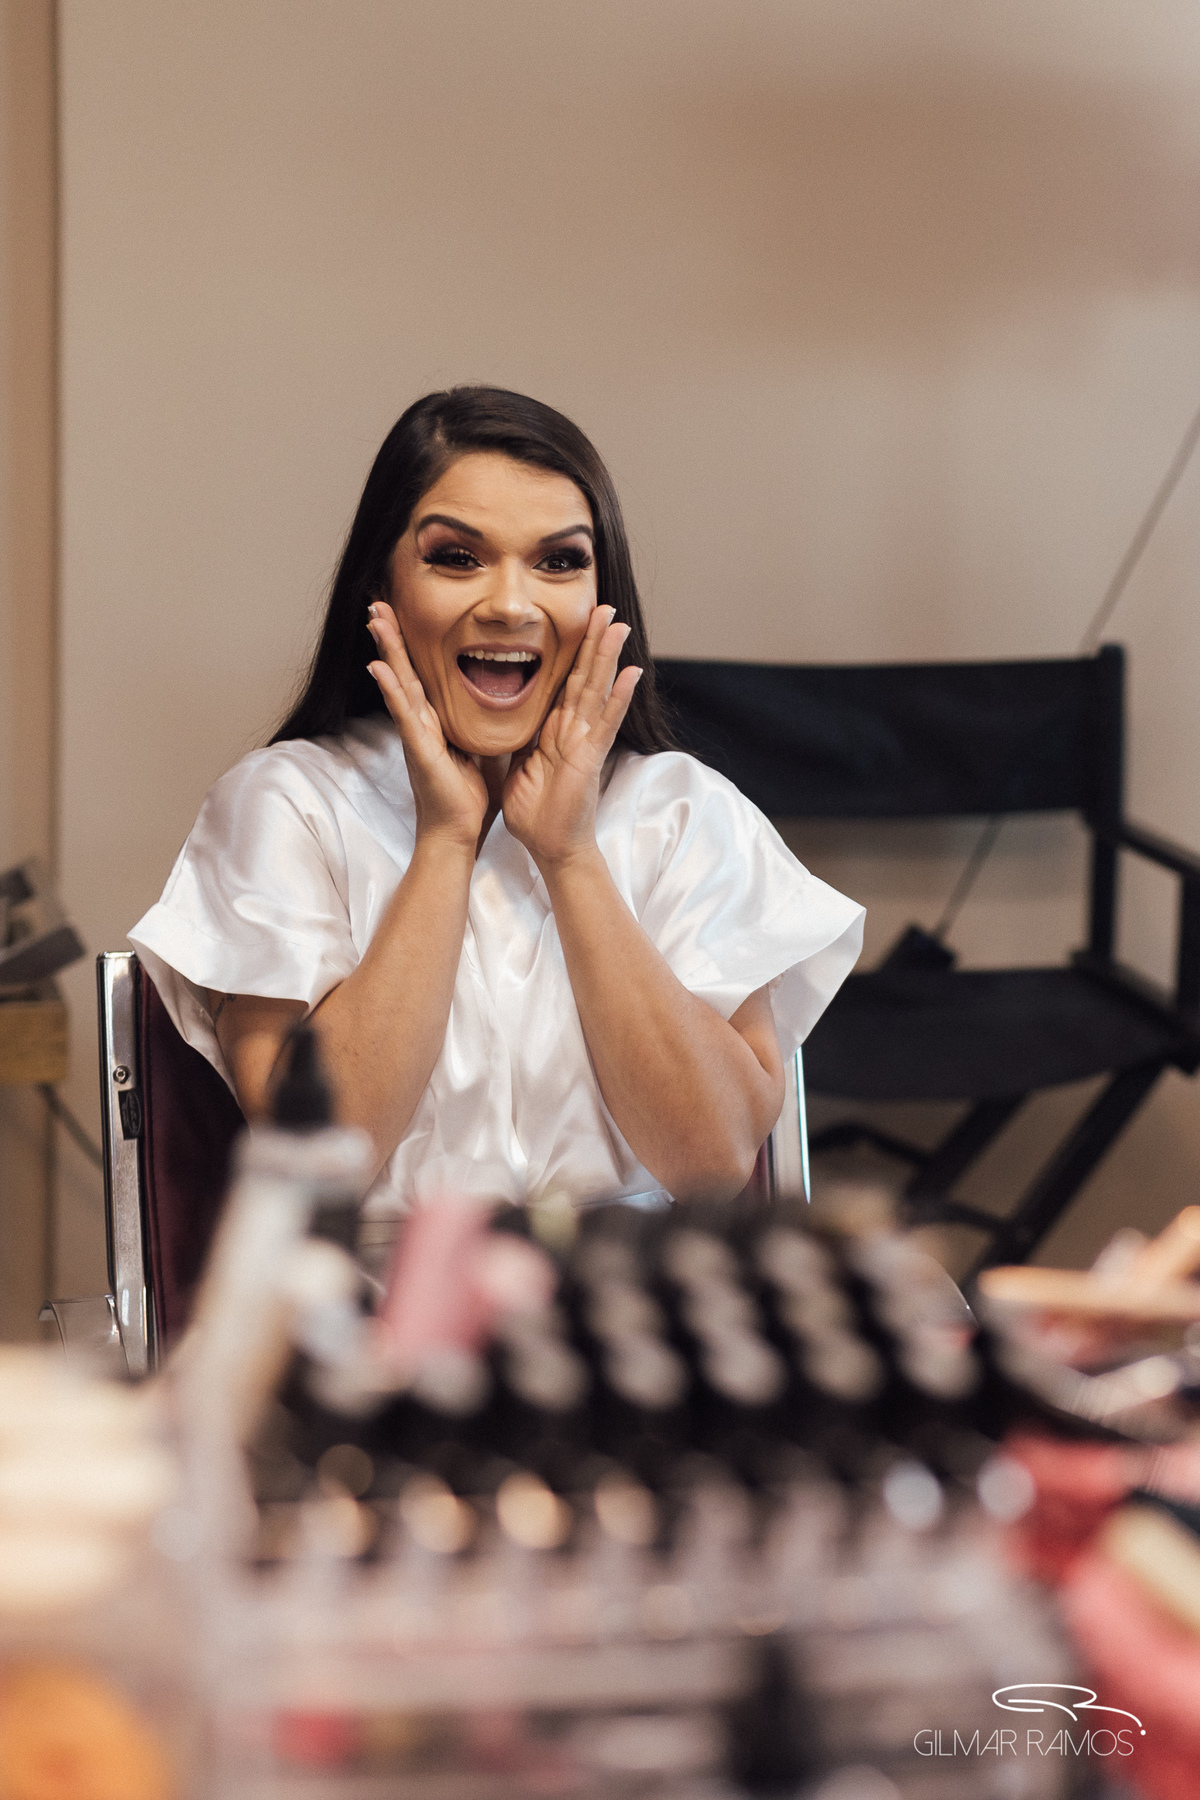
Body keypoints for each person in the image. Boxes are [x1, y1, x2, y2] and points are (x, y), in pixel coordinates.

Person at [130, 387, 863, 1218]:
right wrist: (445, 840)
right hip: (375, 1320)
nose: (511, 605)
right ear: (385, 584)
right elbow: (322, 1161)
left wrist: (571, 856)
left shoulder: (686, 812)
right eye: (457, 557)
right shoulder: (288, 803)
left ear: (600, 596)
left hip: (633, 1309)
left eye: (558, 562)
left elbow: (715, 1166)